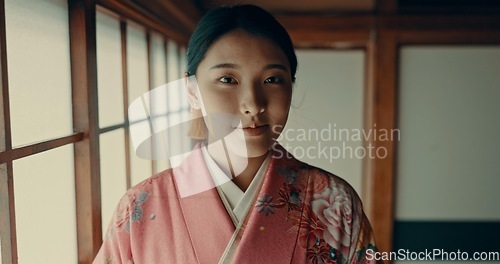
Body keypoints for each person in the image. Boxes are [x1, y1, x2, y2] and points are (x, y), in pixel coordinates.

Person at [94, 4, 380, 264]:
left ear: (291, 85)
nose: (253, 104)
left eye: (272, 79)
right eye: (227, 79)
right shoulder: (139, 207)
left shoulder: (336, 202)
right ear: (192, 91)